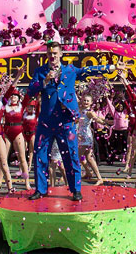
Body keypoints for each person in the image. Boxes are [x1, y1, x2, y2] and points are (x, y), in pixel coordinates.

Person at [26, 39, 123, 201]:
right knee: (40, 156)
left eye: (55, 54)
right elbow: (30, 91)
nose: (52, 57)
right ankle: (40, 189)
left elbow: (89, 70)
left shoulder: (70, 70)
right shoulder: (40, 72)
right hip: (46, 121)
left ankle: (76, 189)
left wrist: (111, 67)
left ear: (60, 55)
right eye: (50, 54)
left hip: (66, 120)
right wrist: (44, 81)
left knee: (71, 155)